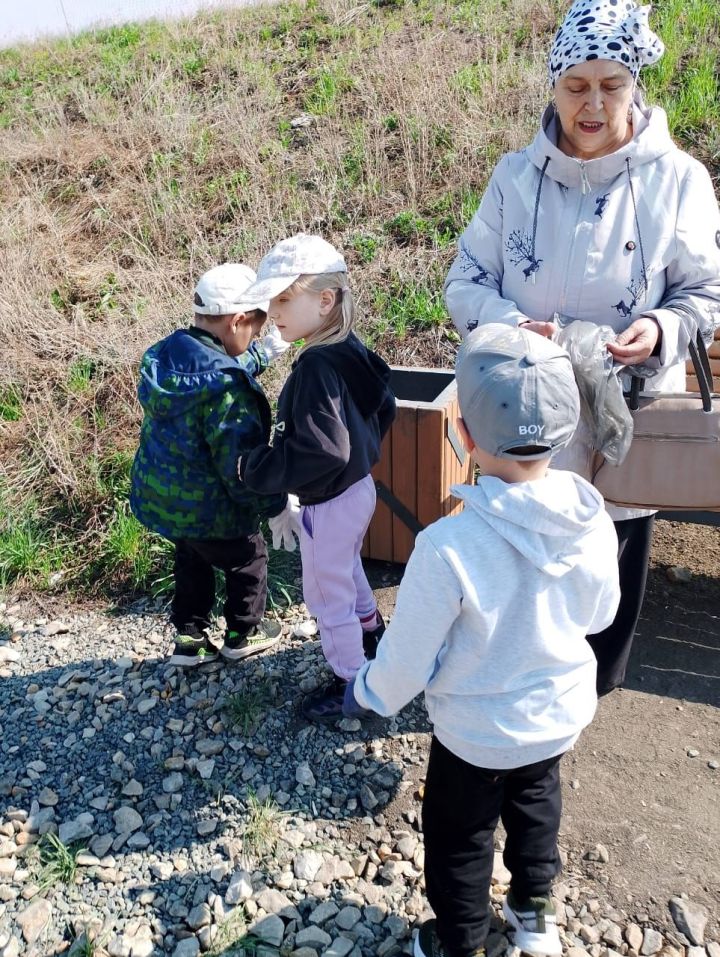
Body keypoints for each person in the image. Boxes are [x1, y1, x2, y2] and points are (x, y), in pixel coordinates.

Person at [444, 0, 720, 696]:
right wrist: (511, 328)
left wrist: (659, 329)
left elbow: (706, 292)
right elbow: (465, 280)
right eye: (575, 87)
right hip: (520, 423)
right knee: (518, 570)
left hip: (619, 426)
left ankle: (583, 704)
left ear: (635, 85)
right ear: (553, 86)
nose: (592, 104)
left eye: (610, 85)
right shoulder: (514, 178)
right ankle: (512, 705)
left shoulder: (677, 180)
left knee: (607, 574)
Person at [344, 324, 621, 957]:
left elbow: (407, 660)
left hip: (473, 735)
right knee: (536, 807)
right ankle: (533, 913)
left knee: (460, 836)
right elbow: (601, 616)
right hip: (553, 717)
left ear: (462, 435)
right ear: (568, 428)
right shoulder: (594, 522)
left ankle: (459, 941)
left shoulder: (448, 546)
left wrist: (368, 692)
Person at [237, 234, 396, 721]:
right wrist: (362, 454)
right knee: (345, 568)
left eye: (285, 299)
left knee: (326, 595)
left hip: (328, 501)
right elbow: (384, 404)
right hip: (357, 489)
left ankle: (352, 683)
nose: (274, 312)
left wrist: (256, 469)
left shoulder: (313, 367)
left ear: (325, 300)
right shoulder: (349, 350)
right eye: (270, 301)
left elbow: (323, 450)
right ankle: (371, 630)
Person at [130, 263, 293, 667]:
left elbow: (207, 374)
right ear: (237, 320)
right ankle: (243, 634)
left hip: (165, 500)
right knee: (248, 558)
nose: (255, 335)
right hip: (211, 505)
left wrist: (260, 355)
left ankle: (190, 638)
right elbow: (241, 468)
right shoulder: (226, 390)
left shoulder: (168, 355)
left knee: (191, 555)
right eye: (254, 329)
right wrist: (275, 506)